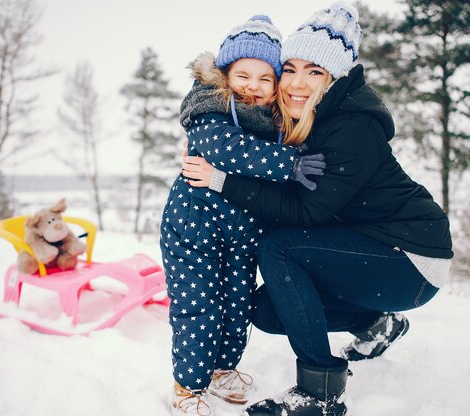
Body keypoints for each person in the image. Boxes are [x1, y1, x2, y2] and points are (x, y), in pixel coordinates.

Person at [181, 3, 454, 416]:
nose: (296, 82)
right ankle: (374, 325)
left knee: (278, 249)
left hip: (411, 259)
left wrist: (222, 181)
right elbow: (232, 114)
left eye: (314, 71)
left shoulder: (353, 127)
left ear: (335, 77)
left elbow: (307, 214)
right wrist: (205, 148)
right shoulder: (306, 117)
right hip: (369, 248)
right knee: (267, 309)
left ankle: (318, 393)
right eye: (289, 68)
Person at [160, 15, 326, 416]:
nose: (253, 85)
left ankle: (222, 369)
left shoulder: (275, 121)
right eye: (243, 74)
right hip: (193, 229)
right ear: (224, 74)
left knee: (237, 304)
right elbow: (227, 150)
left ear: (275, 85)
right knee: (199, 306)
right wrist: (288, 164)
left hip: (242, 231)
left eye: (265, 78)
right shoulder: (210, 109)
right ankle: (188, 385)